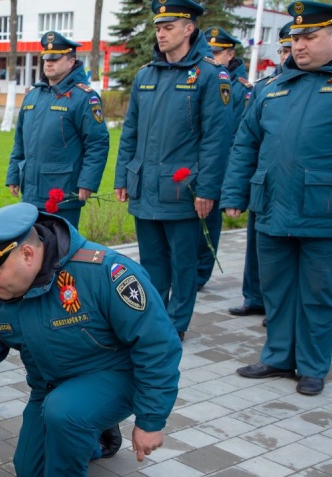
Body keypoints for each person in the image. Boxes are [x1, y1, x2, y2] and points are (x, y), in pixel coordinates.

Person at [0, 203, 182, 477]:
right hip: (51, 387)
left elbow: (158, 344)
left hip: (116, 376)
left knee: (65, 413)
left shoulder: (103, 272)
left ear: (27, 255)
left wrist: (151, 419)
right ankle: (93, 430)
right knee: (30, 472)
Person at [220, 1, 332, 396]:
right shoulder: (273, 87)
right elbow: (245, 144)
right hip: (273, 207)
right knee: (276, 290)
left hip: (329, 212)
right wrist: (234, 193)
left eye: (309, 37)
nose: (299, 45)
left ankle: (313, 366)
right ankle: (279, 356)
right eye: (295, 37)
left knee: (321, 295)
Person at [113, 0, 233, 341]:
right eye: (157, 27)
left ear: (188, 28)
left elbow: (216, 140)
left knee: (182, 264)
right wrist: (123, 176)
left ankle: (175, 324)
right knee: (151, 262)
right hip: (145, 185)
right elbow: (130, 132)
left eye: (168, 27)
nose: (160, 33)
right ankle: (153, 318)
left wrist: (208, 189)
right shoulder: (145, 76)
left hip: (183, 191)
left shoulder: (210, 76)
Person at [5, 31, 110, 229]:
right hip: (31, 190)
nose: (49, 63)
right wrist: (13, 175)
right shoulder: (32, 96)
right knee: (34, 250)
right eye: (46, 58)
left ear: (71, 61)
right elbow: (20, 141)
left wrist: (87, 182)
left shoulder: (84, 97)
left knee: (60, 250)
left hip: (62, 192)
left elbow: (97, 143)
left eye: (55, 58)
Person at [228, 21, 293, 319]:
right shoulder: (265, 88)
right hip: (262, 181)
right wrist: (236, 191)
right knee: (256, 247)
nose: (287, 55)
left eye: (291, 49)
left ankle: (276, 308)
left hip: (298, 185)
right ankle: (254, 297)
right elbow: (246, 141)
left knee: (286, 254)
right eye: (283, 49)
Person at [196, 26, 252, 290]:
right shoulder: (199, 78)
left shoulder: (241, 90)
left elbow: (239, 138)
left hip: (223, 165)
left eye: (217, 53)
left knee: (210, 222)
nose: (212, 56)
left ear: (230, 54)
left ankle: (201, 271)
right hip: (198, 164)